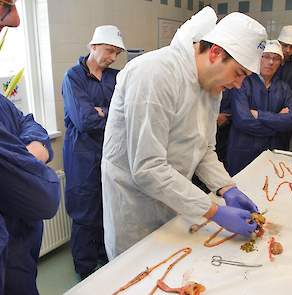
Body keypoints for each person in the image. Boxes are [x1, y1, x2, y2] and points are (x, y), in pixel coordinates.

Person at [101, 7, 267, 260]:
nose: (238, 85)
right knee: (137, 273)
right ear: (215, 53)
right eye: (238, 74)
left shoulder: (211, 86)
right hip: (135, 206)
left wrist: (226, 188)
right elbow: (148, 169)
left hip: (174, 199)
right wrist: (214, 212)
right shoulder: (154, 73)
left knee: (172, 264)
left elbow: (204, 149)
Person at [0, 1, 60, 295]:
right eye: (3, 6)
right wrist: (32, 158)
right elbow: (44, 197)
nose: (15, 20)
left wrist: (22, 154)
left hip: (20, 247)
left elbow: (27, 120)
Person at [62, 25, 125, 279]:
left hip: (111, 153)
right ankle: (85, 271)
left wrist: (104, 112)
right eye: (109, 51)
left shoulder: (115, 77)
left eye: (117, 53)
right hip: (82, 156)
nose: (112, 57)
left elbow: (127, 113)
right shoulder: (73, 77)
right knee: (84, 213)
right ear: (93, 47)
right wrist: (109, 113)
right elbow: (85, 120)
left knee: (107, 207)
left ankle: (104, 256)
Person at [226, 40, 292, 176]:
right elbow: (242, 121)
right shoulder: (243, 82)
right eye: (267, 56)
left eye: (275, 59)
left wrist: (259, 115)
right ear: (259, 58)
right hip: (243, 153)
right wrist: (277, 123)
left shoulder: (284, 89)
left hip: (272, 154)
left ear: (280, 63)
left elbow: (291, 120)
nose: (270, 62)